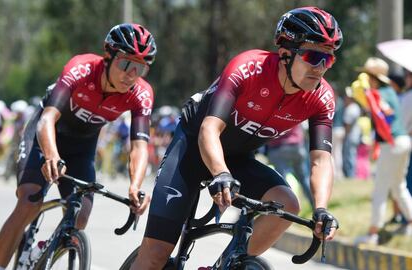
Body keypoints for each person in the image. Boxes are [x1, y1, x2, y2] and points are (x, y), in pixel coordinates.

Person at [131, 6, 341, 269]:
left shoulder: (321, 97)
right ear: (286, 53)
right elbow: (209, 129)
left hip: (238, 158)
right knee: (156, 254)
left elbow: (321, 159)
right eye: (313, 56)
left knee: (287, 204)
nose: (321, 68)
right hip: (193, 149)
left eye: (329, 59)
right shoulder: (249, 68)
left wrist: (321, 208)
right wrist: (219, 173)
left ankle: (226, 265)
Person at [0, 23, 157, 269]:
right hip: (46, 138)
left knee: (79, 218)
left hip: (82, 148)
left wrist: (135, 186)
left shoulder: (141, 94)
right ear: (109, 56)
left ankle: (42, 251)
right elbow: (47, 120)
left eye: (141, 68)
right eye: (126, 64)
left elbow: (138, 146)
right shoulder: (81, 68)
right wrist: (51, 156)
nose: (132, 74)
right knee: (29, 201)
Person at [353, 57, 412, 245]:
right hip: (402, 141)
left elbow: (382, 117)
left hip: (392, 144)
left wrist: (367, 95)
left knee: (380, 189)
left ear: (374, 77)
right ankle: (410, 223)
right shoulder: (389, 91)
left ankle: (372, 233)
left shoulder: (379, 94)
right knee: (398, 186)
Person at [266, 124, 314, 209]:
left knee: (281, 183)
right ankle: (315, 205)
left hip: (278, 148)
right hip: (296, 146)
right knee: (304, 178)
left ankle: (286, 209)